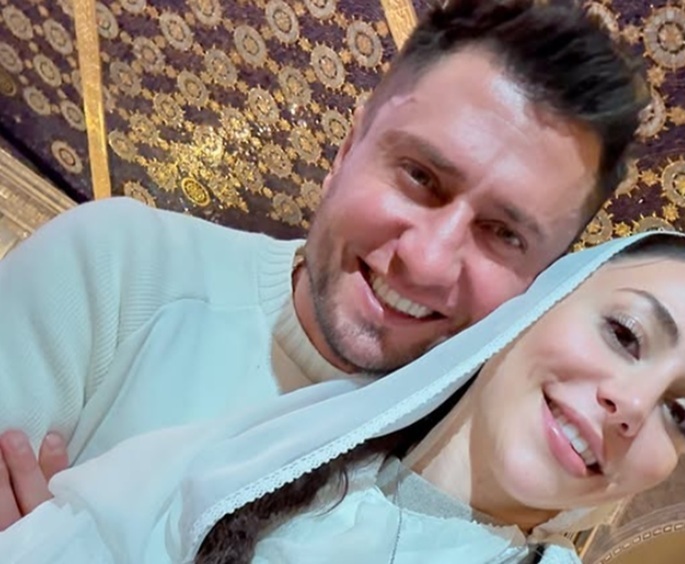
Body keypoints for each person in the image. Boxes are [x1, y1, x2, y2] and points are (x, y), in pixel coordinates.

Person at [0, 0, 648, 531]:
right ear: (347, 151)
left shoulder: (482, 487)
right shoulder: (116, 271)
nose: (426, 262)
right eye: (420, 176)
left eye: (503, 234)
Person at [0, 232, 685, 563]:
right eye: (626, 335)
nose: (632, 405)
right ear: (532, 306)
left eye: (682, 415)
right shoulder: (255, 456)